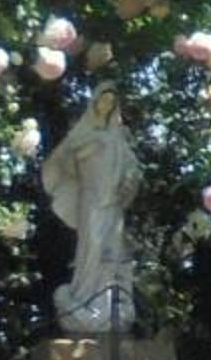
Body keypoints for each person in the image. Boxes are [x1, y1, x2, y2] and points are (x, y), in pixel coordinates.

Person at [41, 86, 140, 331]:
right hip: (91, 198)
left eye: (111, 102)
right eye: (102, 101)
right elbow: (62, 160)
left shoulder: (118, 138)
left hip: (112, 204)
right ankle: (83, 299)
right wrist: (82, 159)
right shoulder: (83, 133)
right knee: (91, 246)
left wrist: (128, 179)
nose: (106, 106)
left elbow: (133, 169)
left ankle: (105, 303)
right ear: (95, 104)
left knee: (110, 250)